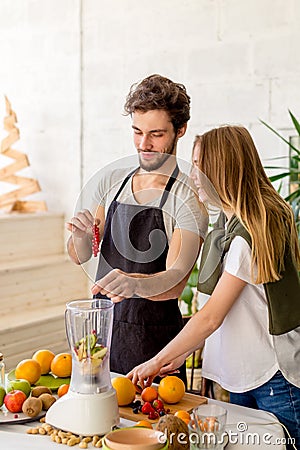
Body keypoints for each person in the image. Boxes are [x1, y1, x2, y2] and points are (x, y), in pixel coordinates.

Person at [127, 126, 300, 448]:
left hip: (273, 378)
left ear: (223, 168)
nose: (194, 175)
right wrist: (179, 353)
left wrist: (156, 360)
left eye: (200, 165)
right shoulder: (228, 223)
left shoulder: (253, 231)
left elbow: (211, 316)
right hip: (244, 372)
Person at [66, 74, 208, 383]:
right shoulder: (115, 184)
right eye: (137, 132)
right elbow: (80, 255)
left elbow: (173, 284)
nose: (144, 144)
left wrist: (132, 283)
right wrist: (79, 235)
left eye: (156, 134)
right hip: (101, 336)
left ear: (179, 130)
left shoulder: (187, 200)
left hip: (153, 346)